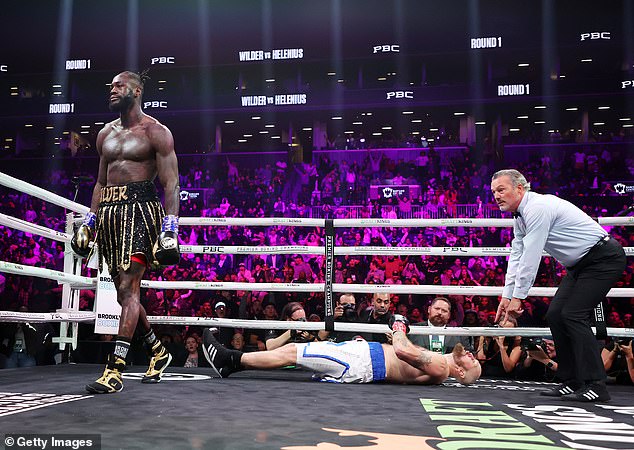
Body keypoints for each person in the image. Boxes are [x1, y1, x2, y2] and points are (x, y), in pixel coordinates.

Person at [71, 70, 181, 394]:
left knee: (131, 288)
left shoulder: (156, 132)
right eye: (111, 86)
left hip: (140, 213)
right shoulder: (105, 134)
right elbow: (101, 183)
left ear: (136, 90)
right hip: (108, 214)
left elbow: (171, 183)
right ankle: (158, 352)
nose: (113, 90)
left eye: (118, 86)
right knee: (123, 292)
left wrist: (170, 226)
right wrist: (89, 222)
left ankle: (115, 369)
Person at [491, 169, 626, 402]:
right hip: (581, 266)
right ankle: (571, 380)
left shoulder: (537, 208)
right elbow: (517, 254)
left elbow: (531, 257)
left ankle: (596, 384)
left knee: (573, 315)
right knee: (555, 315)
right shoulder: (520, 215)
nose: (496, 196)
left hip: (603, 259)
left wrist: (518, 298)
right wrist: (507, 294)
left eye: (501, 190)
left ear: (520, 188)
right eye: (493, 192)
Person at [201, 316, 481, 385]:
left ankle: (231, 361)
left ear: (460, 371)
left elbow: (404, 352)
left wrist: (398, 326)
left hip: (365, 364)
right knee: (297, 353)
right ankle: (235, 361)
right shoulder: (440, 364)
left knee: (294, 352)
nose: (471, 355)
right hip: (365, 356)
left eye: (471, 363)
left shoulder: (442, 367)